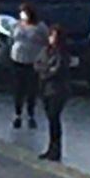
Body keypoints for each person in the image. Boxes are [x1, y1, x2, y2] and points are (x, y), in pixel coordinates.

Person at [9, 1, 48, 129]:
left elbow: (46, 41)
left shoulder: (40, 27)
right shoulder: (16, 25)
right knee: (18, 89)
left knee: (31, 89)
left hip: (32, 61)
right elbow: (11, 38)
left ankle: (31, 114)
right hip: (17, 59)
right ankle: (17, 114)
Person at [36, 24, 70, 162]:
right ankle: (51, 148)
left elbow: (57, 70)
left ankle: (56, 149)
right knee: (50, 119)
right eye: (50, 36)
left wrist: (45, 72)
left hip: (58, 90)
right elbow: (38, 63)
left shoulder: (62, 54)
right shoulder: (46, 50)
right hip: (45, 89)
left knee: (54, 118)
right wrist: (44, 70)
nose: (52, 39)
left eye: (54, 36)